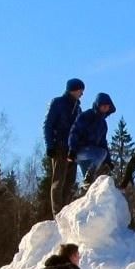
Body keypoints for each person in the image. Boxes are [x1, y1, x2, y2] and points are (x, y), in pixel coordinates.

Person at [44, 77, 85, 216]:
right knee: (58, 181)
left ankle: (65, 211)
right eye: (80, 90)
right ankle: (57, 213)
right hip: (59, 147)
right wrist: (50, 145)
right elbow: (48, 125)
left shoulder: (78, 108)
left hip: (72, 150)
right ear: (73, 89)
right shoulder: (58, 103)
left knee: (70, 181)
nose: (82, 93)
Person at [68, 92, 116, 190]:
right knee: (101, 153)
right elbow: (74, 132)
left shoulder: (103, 124)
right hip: (80, 150)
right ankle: (89, 175)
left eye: (108, 107)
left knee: (90, 183)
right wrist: (72, 150)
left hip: (91, 155)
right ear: (98, 105)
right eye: (104, 106)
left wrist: (108, 161)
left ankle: (84, 192)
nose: (106, 108)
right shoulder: (86, 116)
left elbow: (103, 143)